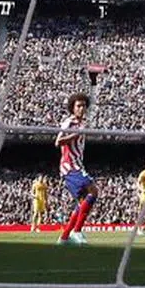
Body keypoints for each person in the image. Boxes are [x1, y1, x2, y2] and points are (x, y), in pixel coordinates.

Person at [56, 92, 98, 246]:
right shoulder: (69, 123)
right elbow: (58, 141)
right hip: (70, 166)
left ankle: (64, 237)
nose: (82, 108)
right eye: (78, 106)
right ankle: (77, 230)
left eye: (84, 106)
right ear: (73, 108)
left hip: (78, 164)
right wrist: (75, 134)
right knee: (94, 191)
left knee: (82, 202)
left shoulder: (83, 123)